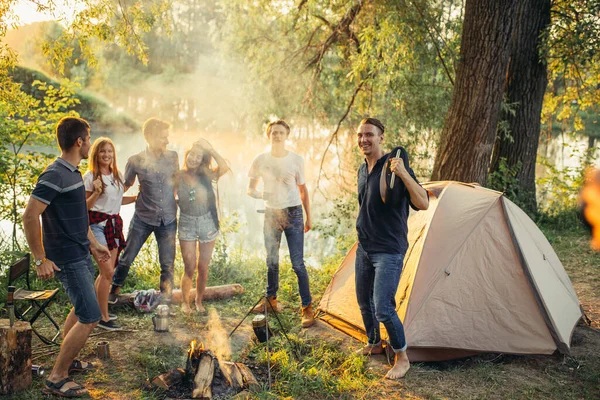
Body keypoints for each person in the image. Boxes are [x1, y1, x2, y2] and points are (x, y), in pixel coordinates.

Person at [23, 116, 111, 397]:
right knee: (90, 315)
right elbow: (29, 216)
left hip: (81, 251)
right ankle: (57, 377)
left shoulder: (72, 172)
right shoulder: (55, 175)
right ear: (79, 141)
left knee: (80, 308)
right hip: (67, 258)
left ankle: (67, 361)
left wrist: (94, 244)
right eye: (88, 137)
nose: (90, 142)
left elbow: (78, 216)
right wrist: (40, 259)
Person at [354, 117, 429, 379]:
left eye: (370, 135)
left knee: (383, 307)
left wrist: (404, 173)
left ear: (381, 137)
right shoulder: (362, 170)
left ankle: (402, 357)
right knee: (364, 302)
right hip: (364, 247)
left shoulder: (394, 166)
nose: (364, 139)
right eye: (360, 135)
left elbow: (423, 203)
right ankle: (374, 344)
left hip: (388, 249)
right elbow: (365, 206)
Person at [247, 120, 314, 328]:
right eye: (274, 132)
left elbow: (303, 190)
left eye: (281, 133)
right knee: (271, 260)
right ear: (269, 135)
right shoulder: (260, 160)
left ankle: (307, 307)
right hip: (271, 214)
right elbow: (250, 188)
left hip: (294, 214)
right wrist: (261, 194)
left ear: (286, 136)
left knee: (297, 263)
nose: (277, 136)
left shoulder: (296, 159)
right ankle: (271, 301)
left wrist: (308, 216)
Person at [109, 118, 179, 303]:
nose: (167, 141)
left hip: (169, 219)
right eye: (163, 138)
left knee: (167, 264)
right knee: (126, 258)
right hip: (143, 217)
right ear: (149, 137)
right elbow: (123, 186)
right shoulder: (135, 161)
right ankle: (112, 293)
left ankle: (166, 299)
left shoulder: (173, 157)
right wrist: (102, 189)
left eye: (167, 137)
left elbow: (178, 183)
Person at [84, 137, 136, 330]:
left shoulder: (116, 175)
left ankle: (99, 310)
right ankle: (103, 318)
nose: (106, 155)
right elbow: (84, 207)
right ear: (95, 154)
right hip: (96, 226)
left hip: (113, 226)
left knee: (106, 273)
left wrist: (136, 198)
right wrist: (96, 193)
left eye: (110, 151)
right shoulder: (90, 177)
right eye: (102, 151)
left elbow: (118, 200)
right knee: (107, 272)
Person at [177, 139, 229, 314]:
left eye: (198, 156)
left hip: (207, 222)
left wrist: (211, 149)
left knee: (203, 266)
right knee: (189, 266)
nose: (193, 159)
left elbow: (224, 167)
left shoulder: (206, 175)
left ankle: (199, 301)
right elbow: (168, 196)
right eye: (192, 154)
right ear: (187, 155)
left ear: (201, 160)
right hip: (186, 222)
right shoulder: (178, 175)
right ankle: (185, 303)